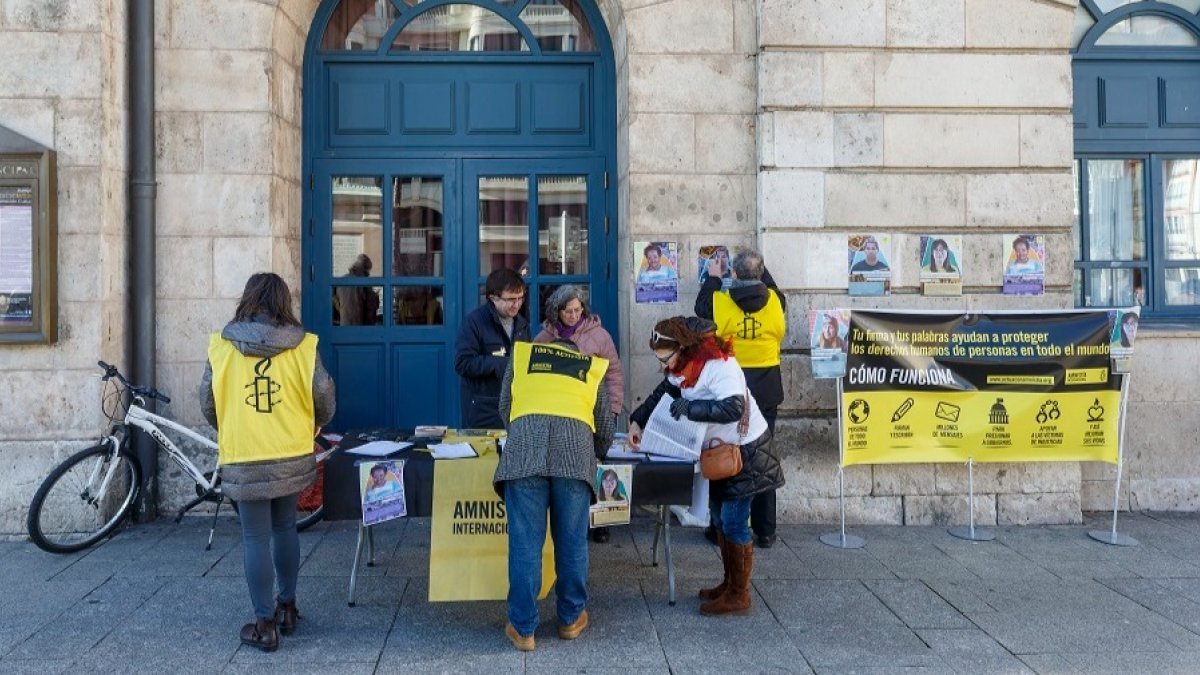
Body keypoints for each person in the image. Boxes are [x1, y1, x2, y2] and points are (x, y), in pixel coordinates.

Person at [200, 272, 336, 652]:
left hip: (245, 452)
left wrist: (230, 424)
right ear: (283, 302)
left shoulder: (222, 347)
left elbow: (208, 401)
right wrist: (318, 422)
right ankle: (287, 608)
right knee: (285, 526)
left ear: (247, 300)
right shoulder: (303, 346)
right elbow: (323, 394)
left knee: (254, 536)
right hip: (289, 449)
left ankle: (264, 624)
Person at [628, 317, 784, 616]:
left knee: (734, 521)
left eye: (666, 359)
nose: (664, 366)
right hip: (719, 453)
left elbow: (734, 407)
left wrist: (690, 408)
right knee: (720, 519)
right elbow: (663, 393)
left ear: (683, 348)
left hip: (745, 452)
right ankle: (729, 583)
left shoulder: (719, 365)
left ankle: (739, 595)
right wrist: (638, 420)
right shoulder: (682, 367)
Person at [494, 339, 615, 651]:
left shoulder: (523, 356)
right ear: (574, 352)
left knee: (525, 544)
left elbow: (505, 407)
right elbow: (605, 426)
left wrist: (523, 434)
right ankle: (570, 619)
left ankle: (523, 628)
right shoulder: (591, 366)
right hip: (574, 460)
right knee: (572, 542)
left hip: (524, 457)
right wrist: (595, 452)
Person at [695, 248, 786, 549]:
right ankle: (766, 530)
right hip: (766, 388)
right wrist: (756, 266)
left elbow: (700, 306)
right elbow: (769, 284)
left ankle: (719, 526)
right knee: (763, 458)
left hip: (731, 389)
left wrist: (713, 276)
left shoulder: (719, 302)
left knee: (725, 454)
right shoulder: (776, 301)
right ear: (760, 274)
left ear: (733, 274)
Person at [534, 284, 624, 543]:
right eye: (568, 311)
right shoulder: (544, 338)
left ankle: (600, 523)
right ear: (556, 312)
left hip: (595, 410)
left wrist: (614, 408)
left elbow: (613, 373)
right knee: (571, 470)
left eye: (578, 310)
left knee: (597, 465)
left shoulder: (600, 336)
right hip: (562, 414)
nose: (574, 315)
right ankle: (572, 523)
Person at [454, 268, 530, 429]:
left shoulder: (522, 325)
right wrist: (505, 364)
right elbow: (463, 363)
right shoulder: (474, 322)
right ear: (493, 297)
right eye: (511, 299)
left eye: (520, 298)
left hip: (516, 409)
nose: (517, 304)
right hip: (482, 411)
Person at [335, 254, 379, 325]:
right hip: (359, 325)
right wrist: (375, 297)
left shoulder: (342, 280)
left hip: (344, 324)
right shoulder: (365, 282)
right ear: (366, 269)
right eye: (369, 270)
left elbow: (338, 302)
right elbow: (371, 308)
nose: (369, 274)